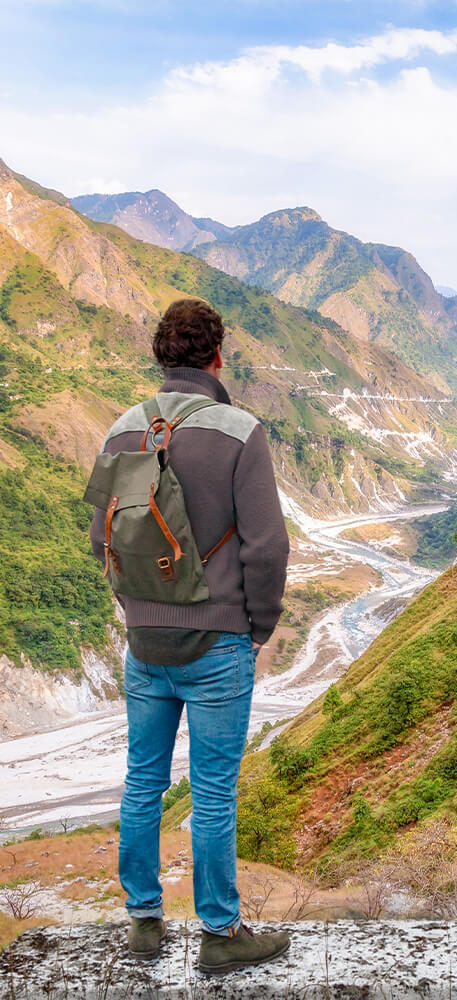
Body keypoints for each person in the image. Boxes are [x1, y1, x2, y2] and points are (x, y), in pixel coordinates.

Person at [88, 298, 290, 974]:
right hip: (219, 644)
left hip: (145, 643)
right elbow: (266, 546)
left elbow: (102, 538)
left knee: (142, 782)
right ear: (217, 356)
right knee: (211, 794)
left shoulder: (121, 430)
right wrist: (257, 626)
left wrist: (138, 610)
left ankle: (144, 924)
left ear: (160, 356)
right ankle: (219, 934)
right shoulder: (240, 431)